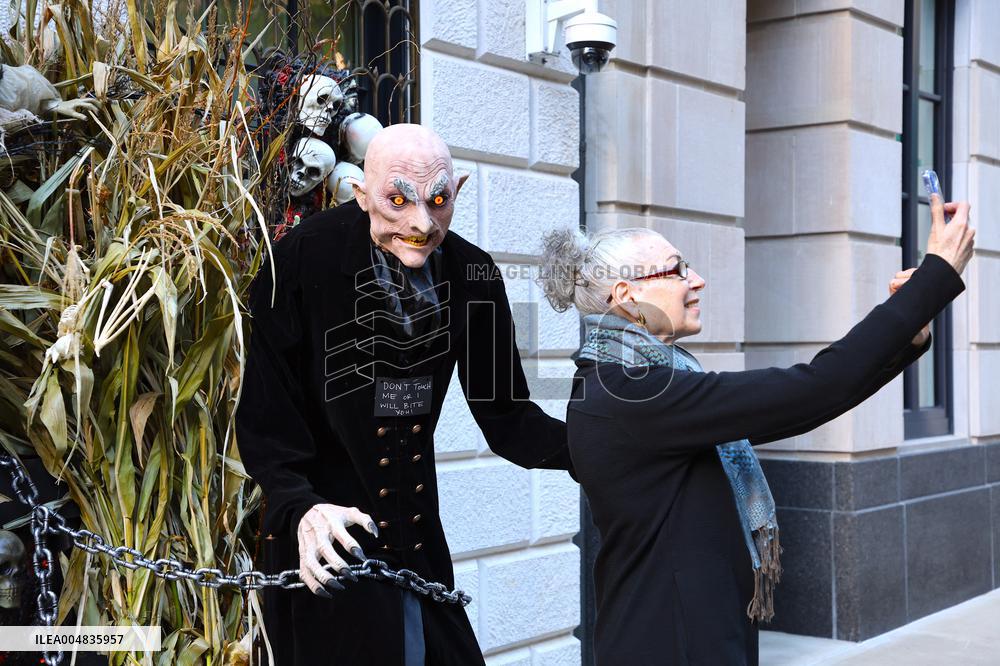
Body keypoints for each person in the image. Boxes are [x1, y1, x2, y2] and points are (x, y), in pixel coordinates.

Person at [537, 195, 975, 665]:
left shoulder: (640, 380)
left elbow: (817, 394)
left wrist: (909, 330)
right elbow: (816, 387)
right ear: (627, 297)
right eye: (676, 269)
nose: (698, 279)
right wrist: (933, 277)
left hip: (693, 632)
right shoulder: (632, 393)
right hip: (670, 644)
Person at [235, 124, 573, 665]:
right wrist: (301, 508)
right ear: (360, 194)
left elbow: (507, 415)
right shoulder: (302, 260)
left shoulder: (473, 274)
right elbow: (266, 421)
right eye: (398, 201)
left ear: (456, 191)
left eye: (438, 201)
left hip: (417, 544)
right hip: (328, 544)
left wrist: (605, 448)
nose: (421, 223)